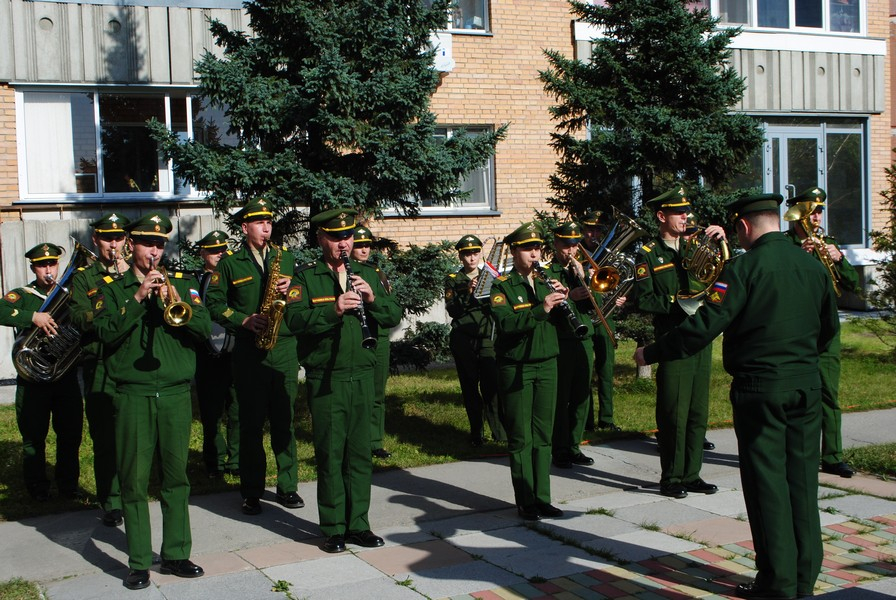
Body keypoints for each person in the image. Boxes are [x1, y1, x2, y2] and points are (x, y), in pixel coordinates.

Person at [635, 192, 839, 600]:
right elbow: (828, 329)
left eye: (737, 230)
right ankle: (804, 579)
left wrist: (652, 352)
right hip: (806, 386)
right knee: (802, 484)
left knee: (767, 487)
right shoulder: (812, 265)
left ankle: (778, 584)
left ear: (744, 226)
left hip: (761, 390)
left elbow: (704, 325)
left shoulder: (742, 269)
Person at [92, 212, 211, 590]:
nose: (154, 252)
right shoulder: (113, 289)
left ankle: (176, 554)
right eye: (147, 244)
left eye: (160, 245)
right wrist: (139, 297)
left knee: (176, 478)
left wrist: (173, 306)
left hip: (175, 394)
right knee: (134, 481)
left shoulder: (183, 284)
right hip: (133, 395)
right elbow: (104, 332)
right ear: (131, 245)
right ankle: (139, 562)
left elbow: (204, 327)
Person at [285, 208, 401, 553]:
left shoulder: (369, 273)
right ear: (321, 238)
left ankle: (359, 524)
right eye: (336, 238)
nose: (343, 244)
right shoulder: (305, 277)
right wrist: (333, 310)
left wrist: (372, 299)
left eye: (348, 236)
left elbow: (394, 314)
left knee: (360, 454)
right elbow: (293, 321)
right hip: (327, 376)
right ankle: (334, 527)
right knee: (331, 453)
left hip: (363, 374)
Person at [205, 198, 303, 516]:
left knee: (284, 421)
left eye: (269, 222)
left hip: (284, 347)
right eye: (260, 223)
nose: (266, 228)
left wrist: (294, 289)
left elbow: (302, 296)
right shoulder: (230, 264)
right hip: (248, 350)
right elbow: (214, 304)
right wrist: (243, 320)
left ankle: (288, 486)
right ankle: (251, 491)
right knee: (250, 424)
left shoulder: (286, 257)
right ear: (245, 227)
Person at [632, 187, 721, 498]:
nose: (686, 217)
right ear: (662, 216)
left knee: (697, 411)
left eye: (686, 212)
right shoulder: (648, 253)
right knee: (673, 413)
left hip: (700, 337)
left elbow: (719, 280)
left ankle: (692, 473)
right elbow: (644, 298)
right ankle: (671, 477)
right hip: (671, 338)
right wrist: (679, 301)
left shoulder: (696, 246)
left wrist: (721, 242)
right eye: (678, 212)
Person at [489, 222, 566, 521]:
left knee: (544, 435)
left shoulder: (548, 281)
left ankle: (543, 498)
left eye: (537, 248)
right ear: (514, 251)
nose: (534, 254)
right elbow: (507, 324)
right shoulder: (502, 286)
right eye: (527, 249)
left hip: (548, 363)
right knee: (522, 437)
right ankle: (526, 500)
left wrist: (565, 301)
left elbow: (563, 323)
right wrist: (541, 308)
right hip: (517, 366)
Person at [785, 187, 860, 479]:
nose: (817, 218)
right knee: (794, 396)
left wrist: (839, 258)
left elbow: (852, 284)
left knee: (829, 394)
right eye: (812, 212)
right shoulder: (785, 245)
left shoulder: (829, 243)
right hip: (796, 329)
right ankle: (794, 453)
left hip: (826, 330)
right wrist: (798, 256)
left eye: (819, 213)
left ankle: (832, 457)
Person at [0, 243, 83, 501]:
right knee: (33, 437)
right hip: (33, 380)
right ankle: (37, 488)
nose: (48, 270)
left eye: (52, 264)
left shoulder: (71, 294)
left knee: (70, 434)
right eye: (42, 265)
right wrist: (33, 317)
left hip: (65, 376)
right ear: (33, 268)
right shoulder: (24, 295)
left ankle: (68, 486)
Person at [70, 213, 130, 526]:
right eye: (107, 238)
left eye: (118, 238)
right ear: (96, 240)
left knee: (133, 435)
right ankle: (111, 500)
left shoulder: (135, 272)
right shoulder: (84, 277)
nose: (113, 244)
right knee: (105, 437)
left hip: (132, 364)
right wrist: (115, 314)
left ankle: (133, 492)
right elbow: (79, 317)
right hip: (101, 363)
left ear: (126, 241)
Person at [444, 234, 506, 446]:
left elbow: (498, 304)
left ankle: (499, 433)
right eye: (467, 254)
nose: (471, 258)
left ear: (480, 254)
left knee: (492, 386)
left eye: (475, 253)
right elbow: (453, 310)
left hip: (486, 336)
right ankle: (476, 433)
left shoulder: (491, 276)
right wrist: (469, 292)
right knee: (470, 386)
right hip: (464, 337)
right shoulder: (454, 279)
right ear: (460, 256)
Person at [546, 221, 596, 468]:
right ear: (556, 244)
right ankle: (560, 449)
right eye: (567, 245)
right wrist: (571, 297)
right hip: (563, 339)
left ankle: (575, 445)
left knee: (581, 394)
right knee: (562, 395)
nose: (572, 250)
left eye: (575, 245)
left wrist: (586, 282)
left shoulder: (581, 269)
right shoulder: (548, 271)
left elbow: (595, 306)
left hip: (584, 338)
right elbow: (551, 308)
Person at [194, 230, 239, 478]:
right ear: (203, 253)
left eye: (223, 250)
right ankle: (215, 463)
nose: (219, 255)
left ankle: (237, 460)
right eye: (213, 251)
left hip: (235, 350)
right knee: (211, 413)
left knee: (237, 409)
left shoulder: (233, 277)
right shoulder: (195, 280)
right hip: (208, 354)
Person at [351, 225, 397, 459]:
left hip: (379, 336)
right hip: (357, 337)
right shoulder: (346, 270)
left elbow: (390, 306)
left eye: (367, 245)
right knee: (358, 395)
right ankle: (357, 440)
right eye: (359, 245)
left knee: (378, 392)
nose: (364, 250)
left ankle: (375, 441)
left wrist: (374, 299)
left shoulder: (376, 272)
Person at [580, 210, 623, 433]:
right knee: (586, 371)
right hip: (585, 316)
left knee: (606, 370)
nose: (593, 234)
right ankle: (586, 421)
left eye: (597, 230)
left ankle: (607, 418)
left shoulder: (608, 255)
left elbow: (618, 281)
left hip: (606, 316)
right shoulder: (576, 253)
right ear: (583, 230)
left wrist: (621, 297)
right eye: (590, 229)